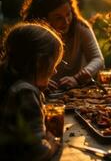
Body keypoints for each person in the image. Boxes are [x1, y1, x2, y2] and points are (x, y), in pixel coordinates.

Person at [20, 0, 104, 90]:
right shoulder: (31, 34)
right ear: (42, 19)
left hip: (76, 92)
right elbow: (19, 68)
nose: (66, 22)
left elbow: (98, 59)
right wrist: (37, 80)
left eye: (68, 14)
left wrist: (77, 78)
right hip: (41, 93)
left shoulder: (80, 27)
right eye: (58, 18)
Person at [0, 22, 64, 160]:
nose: (55, 70)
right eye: (53, 64)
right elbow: (38, 153)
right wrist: (53, 142)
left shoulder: (12, 85)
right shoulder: (25, 92)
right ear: (40, 62)